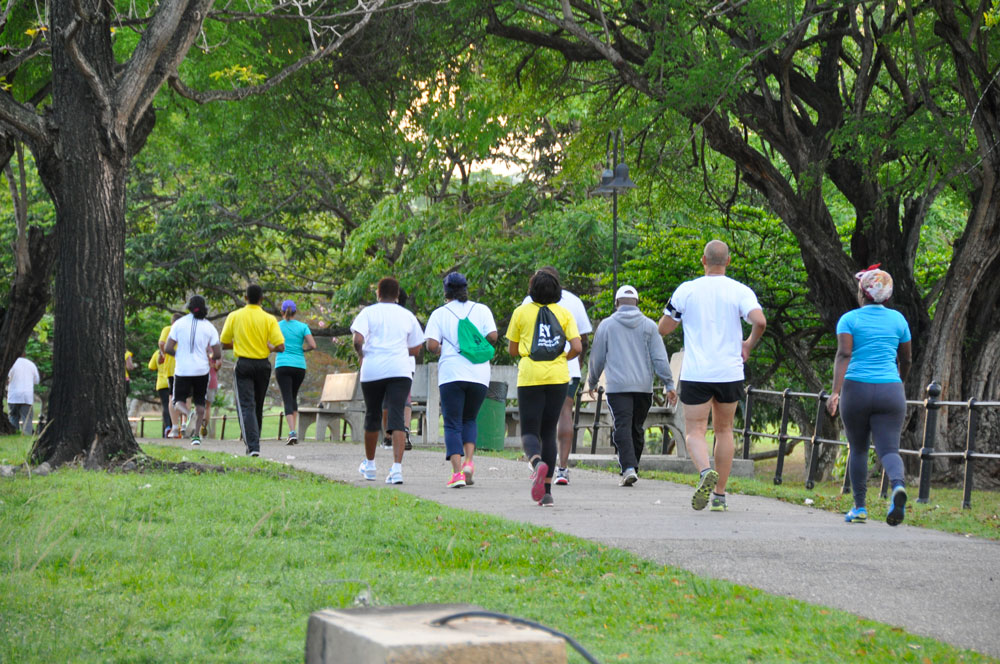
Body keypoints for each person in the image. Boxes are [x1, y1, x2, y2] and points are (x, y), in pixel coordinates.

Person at [658, 240, 766, 512]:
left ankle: (706, 471)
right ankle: (720, 495)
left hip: (697, 372)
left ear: (703, 261)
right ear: (728, 261)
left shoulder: (687, 290)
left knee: (695, 430)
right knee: (724, 430)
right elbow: (760, 321)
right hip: (730, 372)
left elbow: (664, 328)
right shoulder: (740, 291)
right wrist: (747, 345)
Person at [826, 265, 911, 526]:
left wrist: (835, 392)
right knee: (889, 449)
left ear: (863, 293)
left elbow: (844, 354)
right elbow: (906, 359)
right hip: (890, 389)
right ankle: (898, 486)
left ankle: (860, 507)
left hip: (856, 389)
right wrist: (898, 382)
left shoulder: (849, 320)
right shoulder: (899, 320)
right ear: (887, 295)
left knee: (859, 448)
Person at [588, 285, 678, 486]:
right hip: (643, 388)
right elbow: (660, 359)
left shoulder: (606, 326)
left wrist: (592, 381)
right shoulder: (649, 326)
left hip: (618, 387)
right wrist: (669, 384)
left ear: (616, 303)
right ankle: (632, 468)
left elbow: (597, 358)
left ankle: (629, 468)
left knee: (622, 425)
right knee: (636, 427)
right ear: (637, 303)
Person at [507, 269, 582, 506]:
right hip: (558, 376)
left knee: (530, 431)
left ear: (532, 290)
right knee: (549, 431)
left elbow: (512, 350)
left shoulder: (520, 312)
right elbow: (577, 347)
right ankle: (547, 493)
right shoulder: (565, 313)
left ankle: (536, 462)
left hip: (530, 376)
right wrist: (562, 358)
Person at [424, 272, 499, 488]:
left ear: (446, 291)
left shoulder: (439, 314)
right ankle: (468, 463)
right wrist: (475, 344)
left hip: (452, 374)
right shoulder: (481, 309)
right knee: (469, 419)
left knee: (452, 423)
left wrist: (441, 348)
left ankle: (457, 474)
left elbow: (431, 345)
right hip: (479, 374)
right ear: (466, 289)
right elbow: (493, 336)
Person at [523, 266, 592, 485]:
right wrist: (574, 362)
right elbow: (583, 340)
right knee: (564, 413)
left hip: (536, 369)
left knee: (538, 417)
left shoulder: (528, 302)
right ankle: (562, 468)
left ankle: (539, 462)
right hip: (567, 369)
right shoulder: (574, 302)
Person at [351, 277, 424, 484]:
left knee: (373, 414)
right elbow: (416, 349)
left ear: (378, 293)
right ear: (397, 295)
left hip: (372, 369)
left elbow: (357, 339)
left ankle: (370, 465)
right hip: (400, 370)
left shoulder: (368, 313)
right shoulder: (407, 315)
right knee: (397, 416)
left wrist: (361, 354)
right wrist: (398, 351)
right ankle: (397, 469)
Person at [220, 284, 285, 457]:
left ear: (245, 298)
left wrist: (239, 343)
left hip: (244, 365)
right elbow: (280, 346)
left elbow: (224, 342)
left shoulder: (235, 316)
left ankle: (253, 446)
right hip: (263, 365)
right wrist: (269, 347)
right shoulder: (269, 319)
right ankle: (255, 443)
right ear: (262, 299)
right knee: (258, 404)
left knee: (246, 405)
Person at [165, 295, 222, 447]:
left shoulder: (179, 324)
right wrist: (209, 356)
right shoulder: (209, 327)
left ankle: (189, 414)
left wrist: (179, 355)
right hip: (201, 370)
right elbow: (217, 354)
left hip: (182, 369)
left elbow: (168, 348)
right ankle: (196, 437)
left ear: (189, 307)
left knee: (177, 401)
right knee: (200, 402)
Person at [275, 299, 316, 445]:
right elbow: (313, 345)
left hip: (283, 364)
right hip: (299, 366)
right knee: (293, 397)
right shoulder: (303, 326)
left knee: (287, 398)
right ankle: (293, 431)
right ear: (295, 312)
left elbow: (270, 343)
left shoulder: (277, 326)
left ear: (282, 311)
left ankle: (292, 432)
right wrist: (303, 349)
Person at [158, 313, 183, 436]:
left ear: (172, 322)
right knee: (186, 397)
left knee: (172, 398)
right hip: (185, 367)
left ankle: (174, 426)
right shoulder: (185, 330)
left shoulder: (168, 329)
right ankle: (184, 423)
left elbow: (162, 343)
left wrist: (164, 354)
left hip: (171, 369)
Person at [6, 351, 39, 434]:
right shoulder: (31, 364)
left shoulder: (11, 364)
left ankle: (14, 433)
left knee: (13, 416)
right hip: (27, 396)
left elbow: (7, 379)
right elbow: (36, 380)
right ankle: (27, 434)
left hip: (14, 395)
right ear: (25, 354)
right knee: (27, 417)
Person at [147, 348, 174, 437]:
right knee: (173, 405)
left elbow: (151, 367)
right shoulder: (173, 352)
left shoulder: (157, 353)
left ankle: (167, 427)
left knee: (166, 405)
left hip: (162, 383)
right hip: (173, 381)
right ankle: (174, 427)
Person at [202, 347, 222, 438]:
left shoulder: (199, 345)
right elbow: (218, 364)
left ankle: (196, 428)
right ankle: (203, 428)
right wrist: (213, 366)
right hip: (212, 380)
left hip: (198, 377)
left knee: (199, 404)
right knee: (207, 406)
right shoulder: (215, 348)